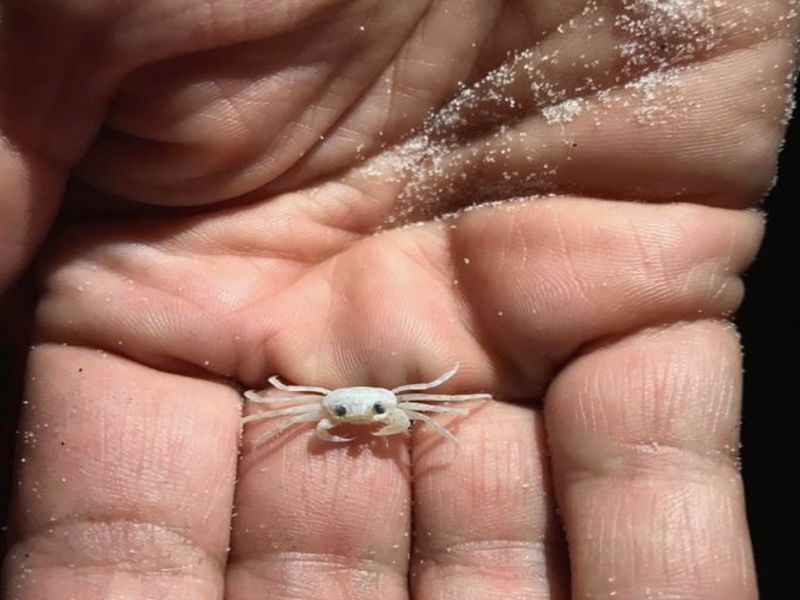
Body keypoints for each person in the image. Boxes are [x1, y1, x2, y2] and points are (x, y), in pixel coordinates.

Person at [0, 1, 796, 597]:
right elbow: (298, 406)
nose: (355, 429)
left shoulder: (393, 407)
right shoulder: (322, 407)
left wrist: (387, 415)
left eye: (368, 419)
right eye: (355, 419)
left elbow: (415, 408)